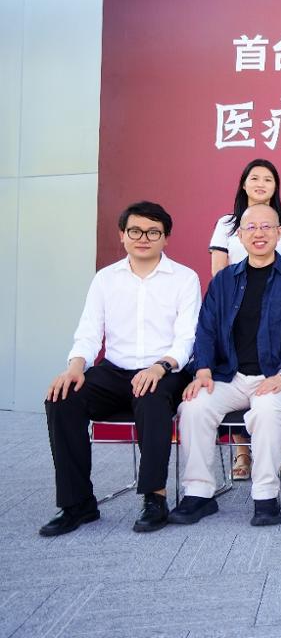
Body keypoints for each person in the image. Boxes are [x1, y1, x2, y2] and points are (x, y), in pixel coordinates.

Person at [41, 202, 200, 536]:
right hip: (114, 371)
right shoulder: (105, 279)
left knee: (152, 398)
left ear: (166, 238)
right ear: (122, 235)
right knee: (62, 398)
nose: (143, 238)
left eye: (153, 232)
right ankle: (77, 503)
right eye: (135, 231)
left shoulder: (184, 279)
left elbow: (186, 338)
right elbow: (88, 331)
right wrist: (75, 367)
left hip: (165, 370)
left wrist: (160, 367)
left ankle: (155, 498)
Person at [168, 204, 281, 527]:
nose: (259, 233)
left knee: (266, 409)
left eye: (267, 227)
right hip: (231, 377)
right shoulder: (224, 280)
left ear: (280, 233)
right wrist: (203, 369)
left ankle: (265, 497)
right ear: (239, 235)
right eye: (251, 227)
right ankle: (199, 493)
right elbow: (206, 329)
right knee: (193, 407)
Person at [209, 158, 281, 480]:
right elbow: (219, 272)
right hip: (237, 307)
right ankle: (242, 453)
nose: (261, 184)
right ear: (243, 184)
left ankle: (269, 457)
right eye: (255, 178)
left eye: (268, 179)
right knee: (235, 368)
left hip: (277, 312)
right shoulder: (226, 223)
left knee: (268, 391)